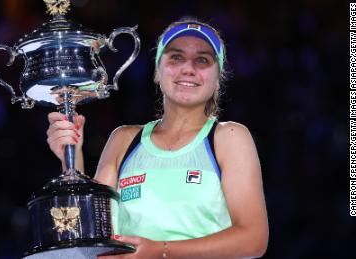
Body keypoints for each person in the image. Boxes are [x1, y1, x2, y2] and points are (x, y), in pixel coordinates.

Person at [46, 17, 268, 259]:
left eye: (202, 60)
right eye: (176, 57)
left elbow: (253, 238)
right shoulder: (124, 140)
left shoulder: (229, 137)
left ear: (218, 79)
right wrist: (71, 158)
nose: (188, 68)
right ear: (157, 72)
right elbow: (92, 234)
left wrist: (161, 250)